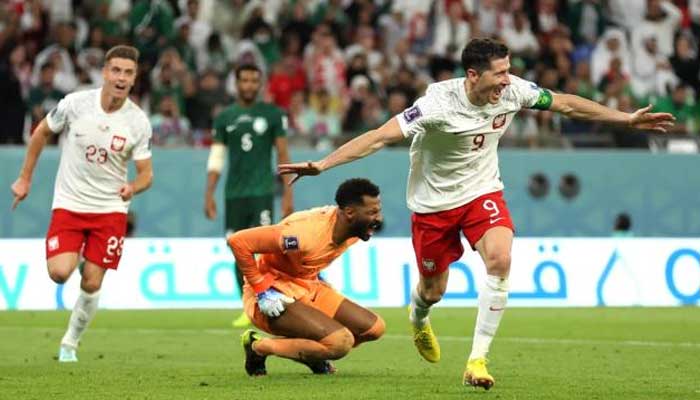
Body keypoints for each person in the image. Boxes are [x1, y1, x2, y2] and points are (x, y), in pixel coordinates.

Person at [279, 38, 675, 390]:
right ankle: (418, 318)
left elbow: (567, 104)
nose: (508, 79)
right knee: (433, 291)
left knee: (500, 260)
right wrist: (324, 164)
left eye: (509, 70)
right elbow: (379, 137)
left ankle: (477, 360)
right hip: (433, 205)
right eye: (500, 73)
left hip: (482, 192)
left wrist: (626, 119)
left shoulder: (515, 92)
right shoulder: (436, 104)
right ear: (473, 75)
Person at [10, 45, 153, 362]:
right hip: (70, 204)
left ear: (134, 78)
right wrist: (24, 178)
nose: (121, 77)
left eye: (128, 73)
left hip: (110, 210)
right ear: (104, 72)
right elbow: (40, 133)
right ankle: (79, 256)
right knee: (60, 272)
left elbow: (147, 175)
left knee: (91, 280)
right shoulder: (75, 104)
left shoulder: (138, 122)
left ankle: (70, 343)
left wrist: (133, 187)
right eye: (115, 70)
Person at [229, 178, 385, 376]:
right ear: (349, 213)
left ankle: (314, 354)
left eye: (378, 211)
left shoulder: (353, 227)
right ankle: (258, 347)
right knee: (340, 343)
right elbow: (238, 241)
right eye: (372, 213)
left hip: (307, 286)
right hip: (273, 293)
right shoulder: (302, 234)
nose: (379, 219)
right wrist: (261, 291)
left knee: (374, 328)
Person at [204, 63, 294, 328]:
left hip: (262, 193)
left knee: (266, 252)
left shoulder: (273, 115)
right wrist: (209, 193)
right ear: (236, 83)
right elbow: (217, 157)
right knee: (237, 251)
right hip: (234, 195)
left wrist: (287, 193)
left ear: (260, 84)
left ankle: (275, 298)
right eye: (244, 80)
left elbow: (283, 155)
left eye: (255, 80)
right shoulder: (225, 117)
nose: (249, 85)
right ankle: (248, 306)